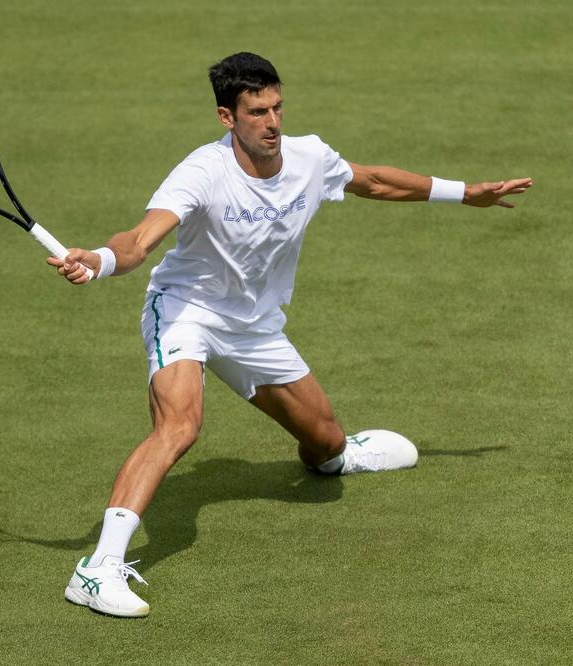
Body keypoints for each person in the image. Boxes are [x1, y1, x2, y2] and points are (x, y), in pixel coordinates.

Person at [51, 52, 532, 618]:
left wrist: (463, 192)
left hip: (255, 328)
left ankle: (338, 453)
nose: (273, 122)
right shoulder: (201, 172)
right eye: (257, 112)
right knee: (179, 425)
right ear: (227, 118)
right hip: (188, 313)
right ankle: (97, 569)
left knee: (326, 445)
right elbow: (139, 239)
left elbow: (371, 181)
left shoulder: (308, 157)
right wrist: (104, 261)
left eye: (277, 107)